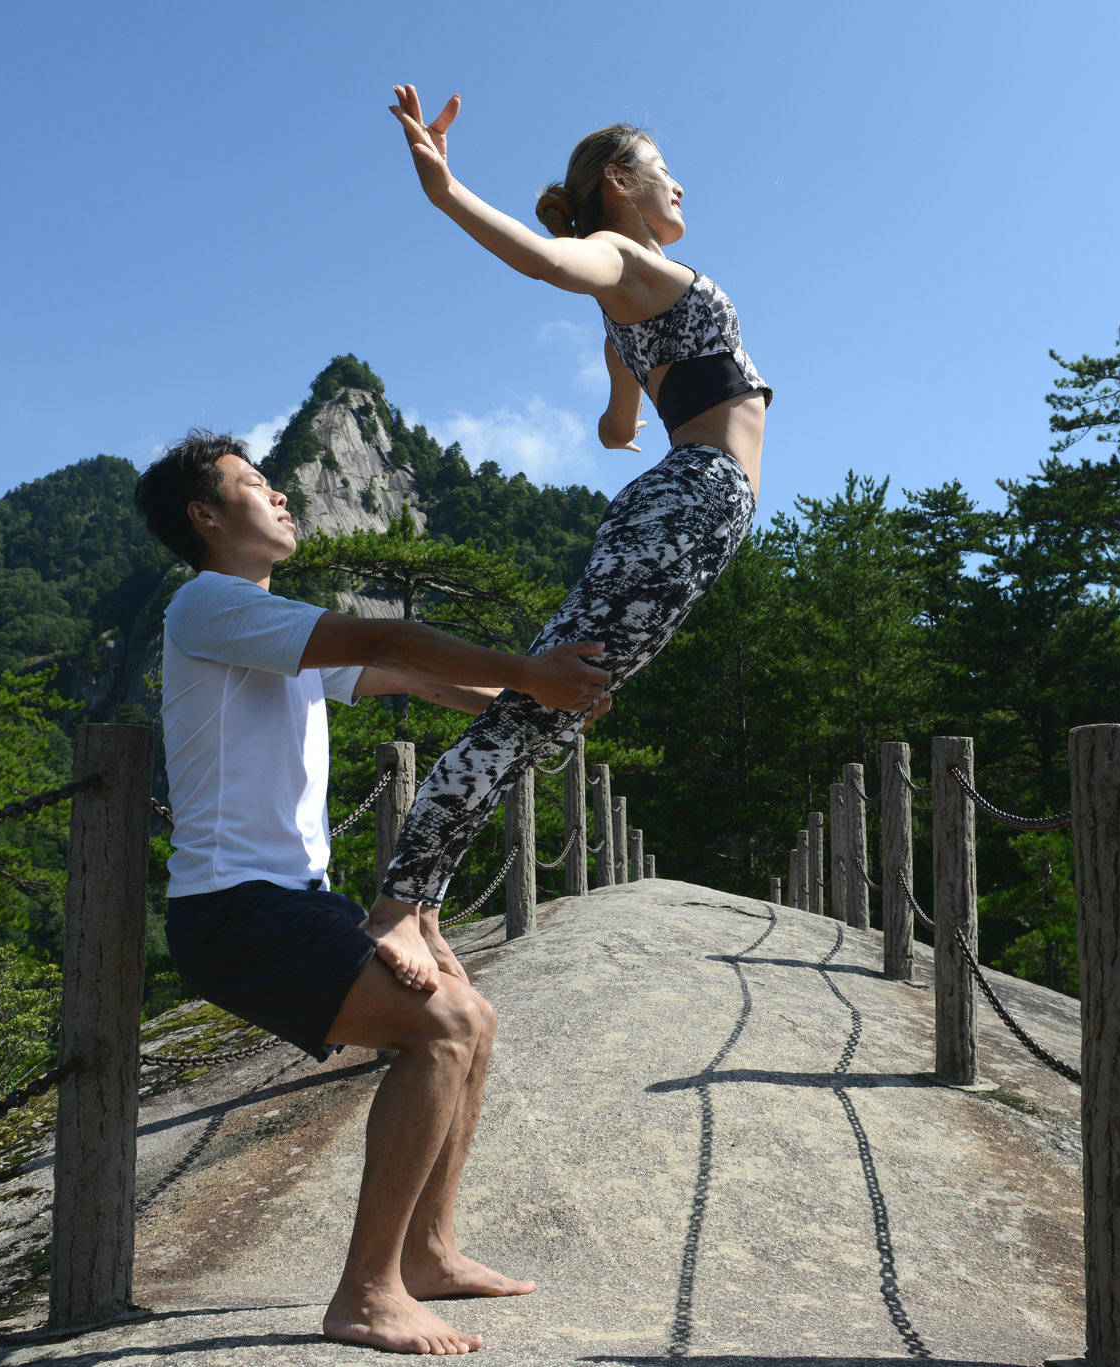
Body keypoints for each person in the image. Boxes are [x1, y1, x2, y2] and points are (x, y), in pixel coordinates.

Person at [134, 430, 611, 1355]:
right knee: (442, 1029)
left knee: (474, 1017)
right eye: (257, 485)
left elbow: (400, 674)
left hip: (289, 899)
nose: (282, 499)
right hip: (235, 912)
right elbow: (386, 635)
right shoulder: (208, 605)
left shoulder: (266, 627)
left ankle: (429, 1254)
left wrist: (530, 700)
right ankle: (367, 1293)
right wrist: (533, 673)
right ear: (204, 515)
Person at [370, 85, 770, 939]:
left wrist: (625, 428)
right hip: (691, 501)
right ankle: (399, 909)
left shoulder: (621, 313)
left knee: (554, 707)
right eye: (666, 172)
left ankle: (416, 904)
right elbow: (552, 262)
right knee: (537, 705)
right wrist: (445, 191)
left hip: (683, 507)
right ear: (620, 181)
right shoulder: (622, 262)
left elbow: (617, 421)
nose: (682, 188)